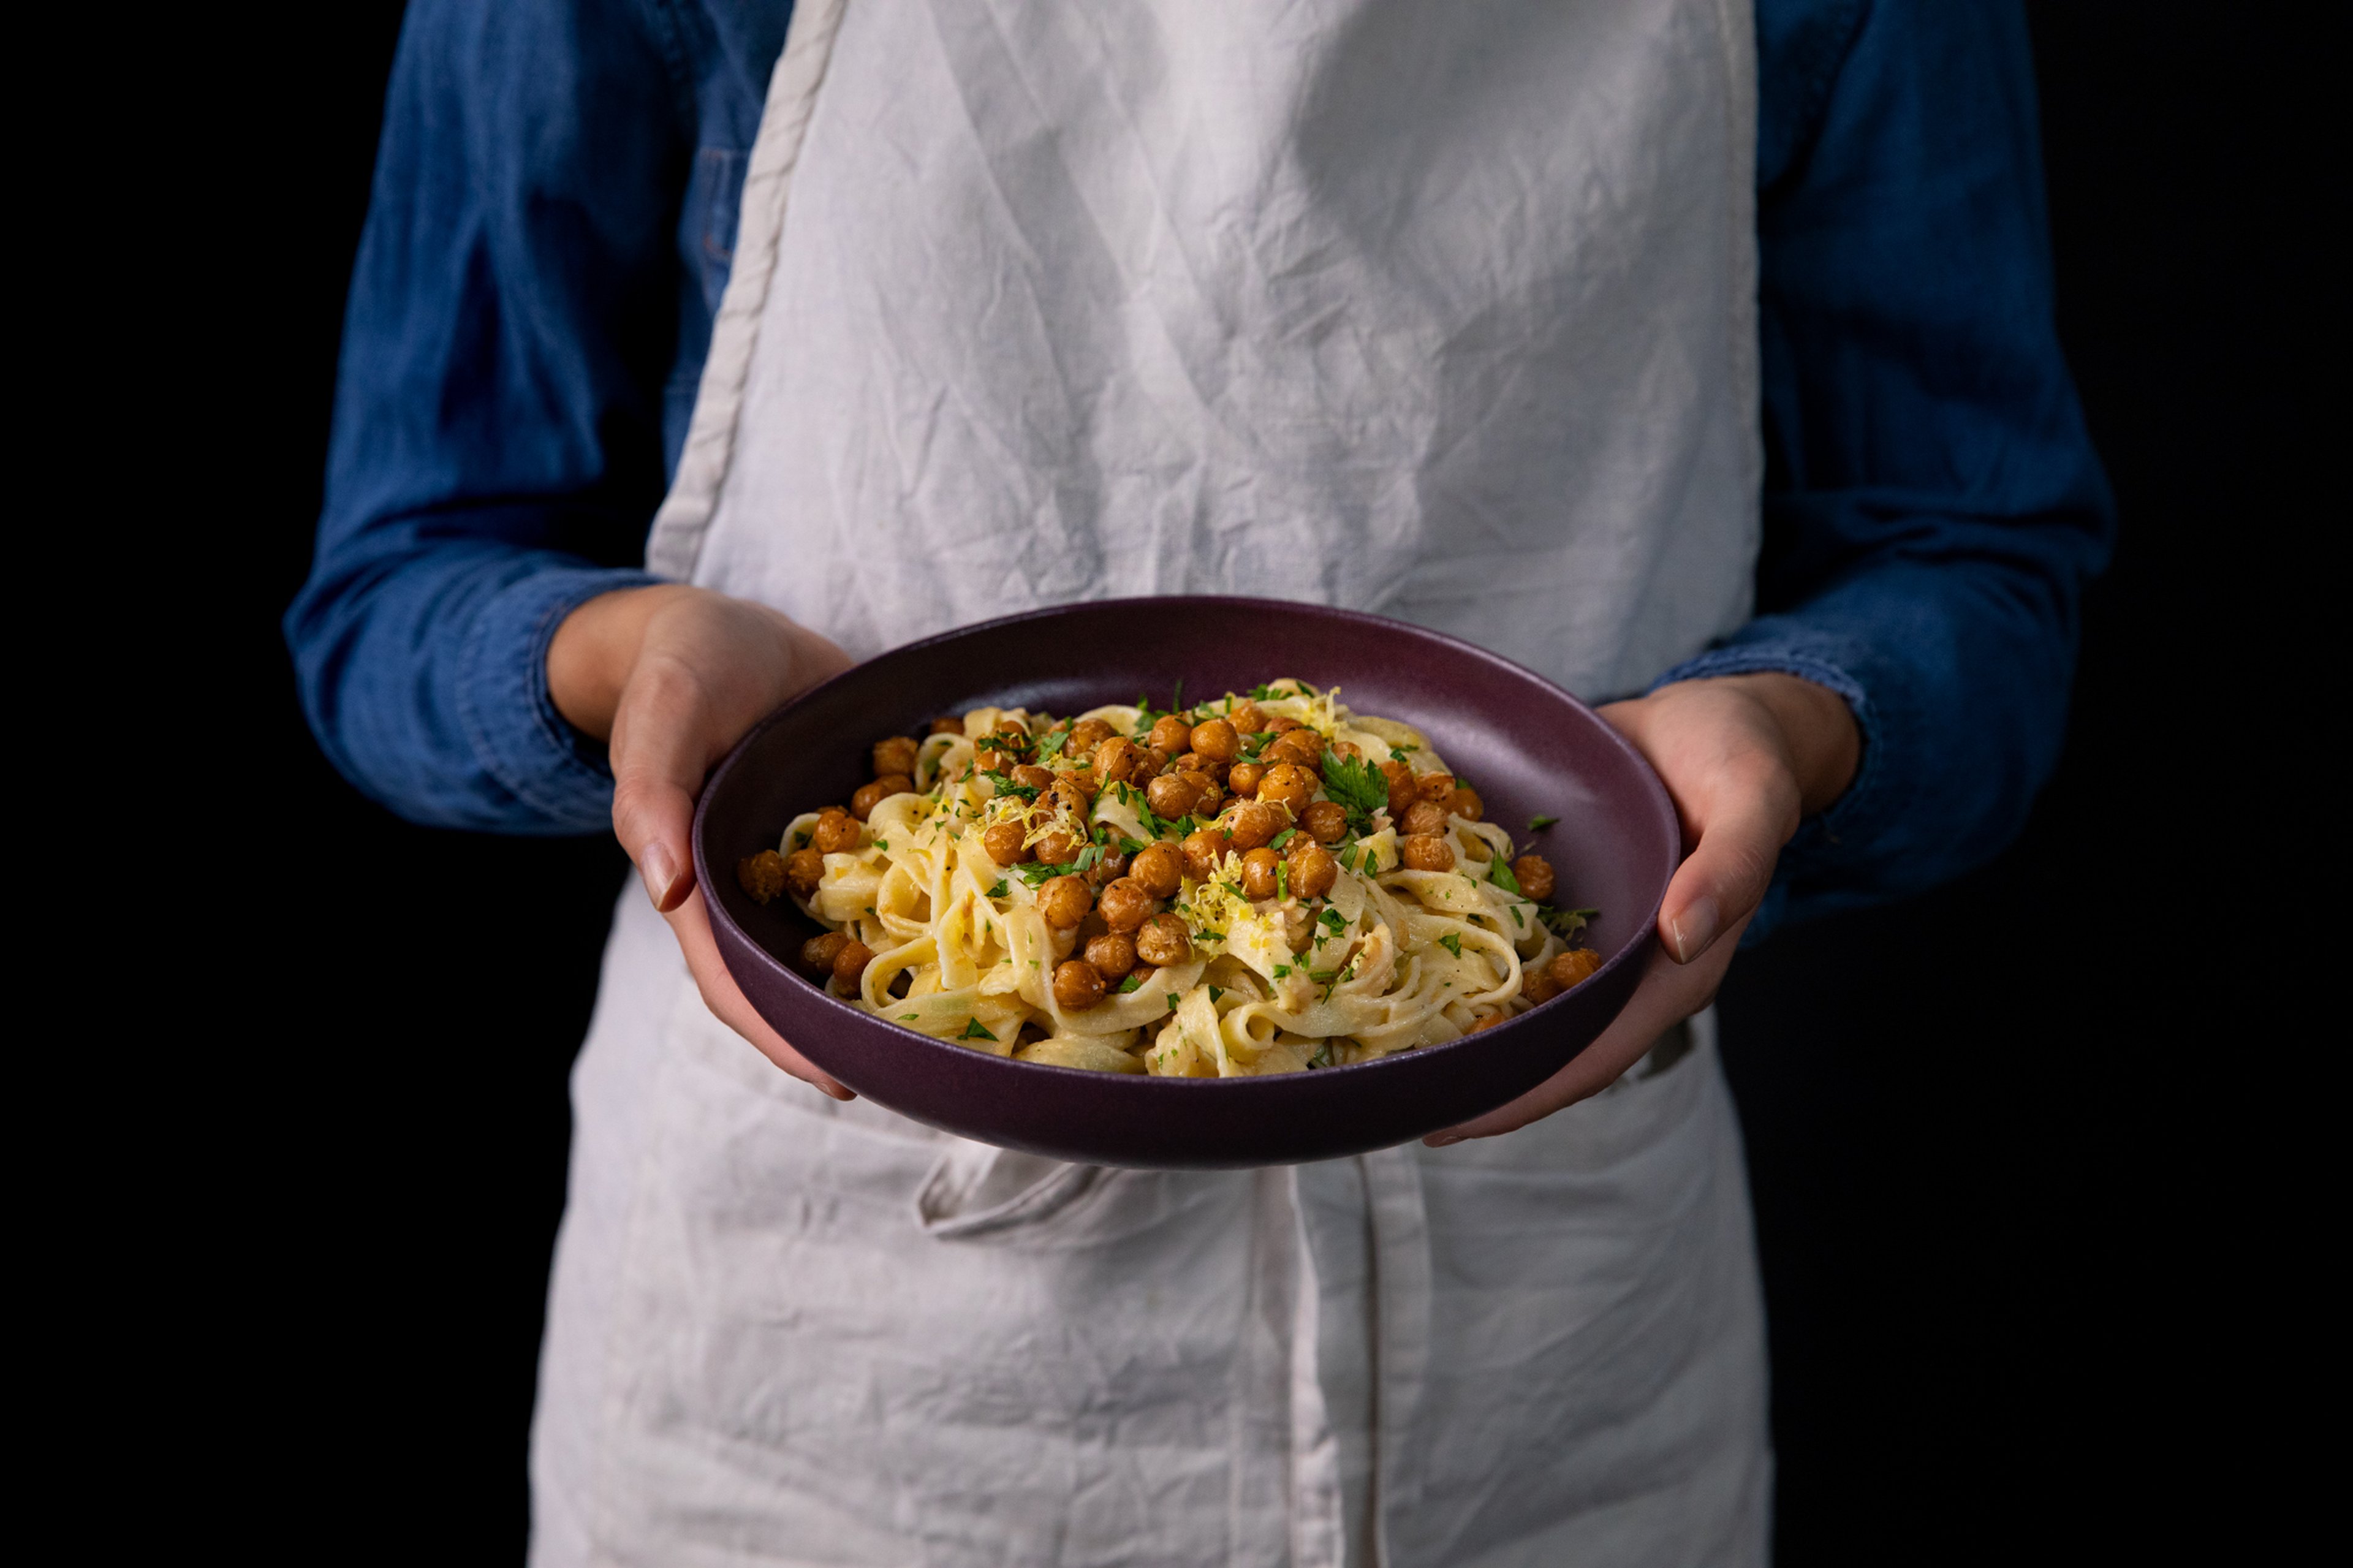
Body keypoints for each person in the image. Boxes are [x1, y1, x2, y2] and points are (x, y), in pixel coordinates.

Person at [290, 0, 2111, 1561]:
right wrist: (625, 670)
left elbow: (1975, 555)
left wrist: (1798, 723)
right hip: (819, 1385)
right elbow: (398, 588)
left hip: (1552, 1371)